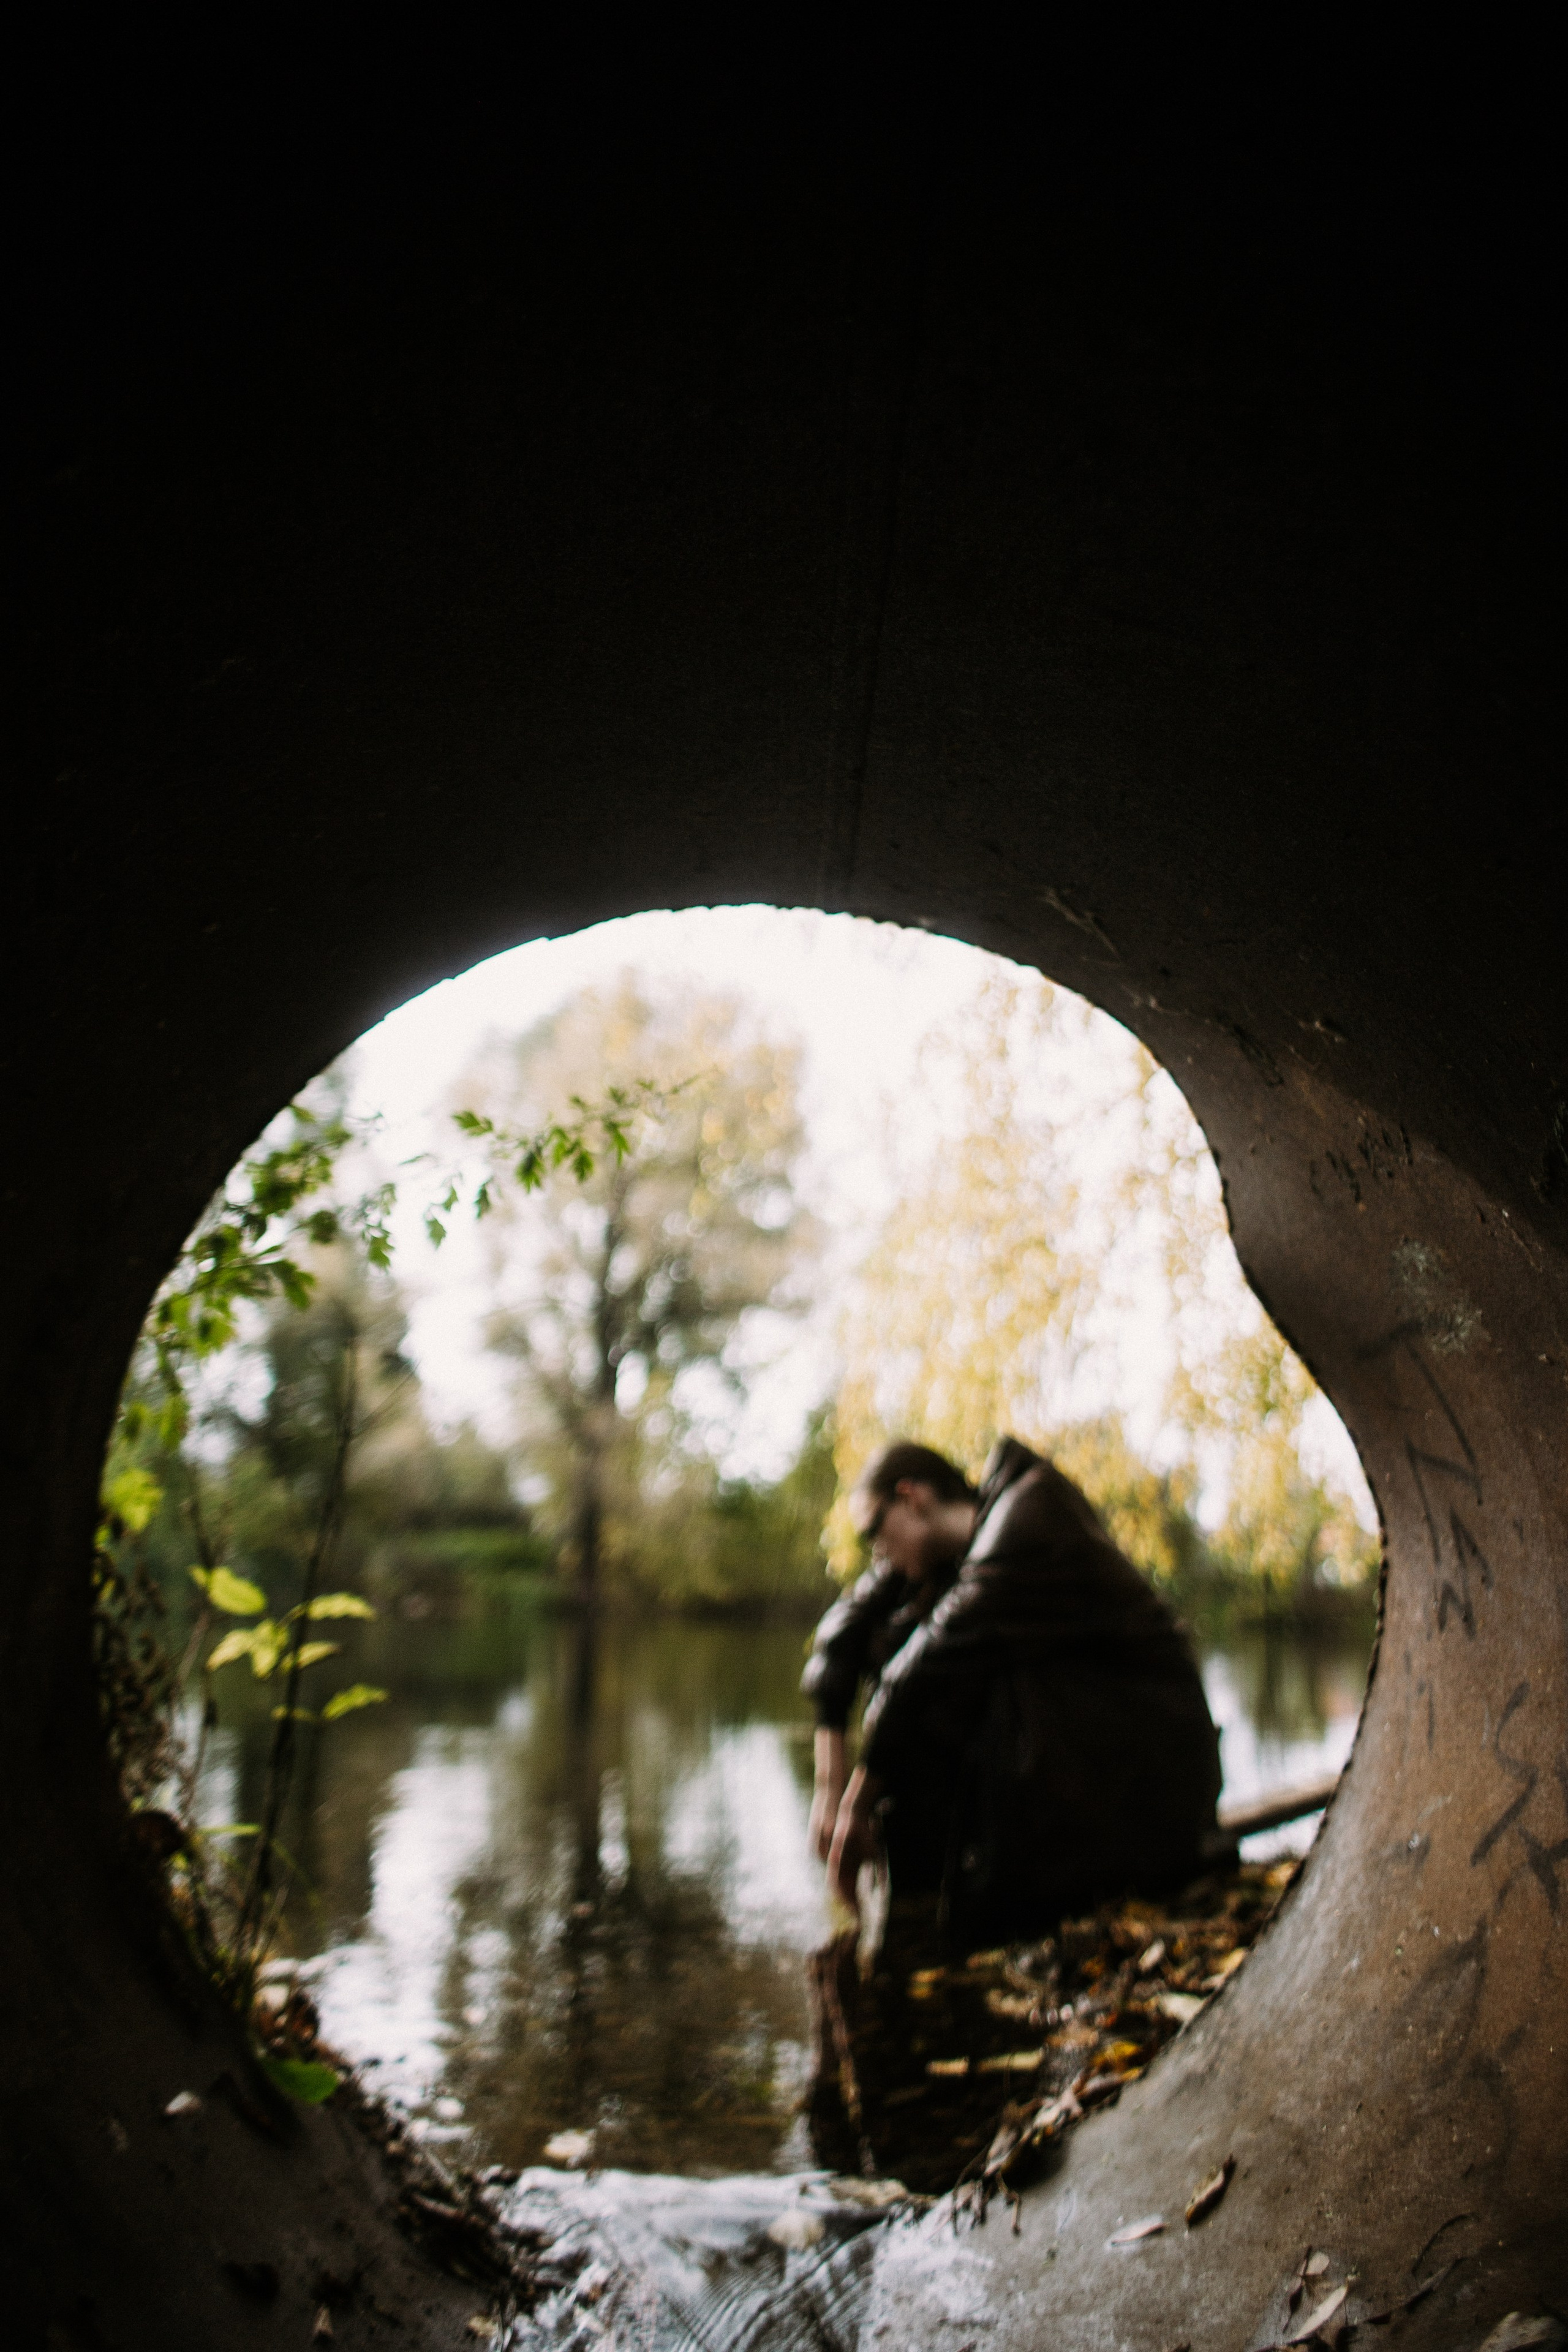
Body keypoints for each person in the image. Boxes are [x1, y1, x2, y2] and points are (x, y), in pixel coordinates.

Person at [803, 1436, 1222, 1943]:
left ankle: (971, 1901)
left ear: (913, 1497)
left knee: (941, 1676)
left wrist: (856, 1808)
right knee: (891, 1636)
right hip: (1088, 1770)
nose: (878, 1553)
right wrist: (829, 1784)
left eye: (876, 1531)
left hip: (1157, 1777)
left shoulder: (1031, 1515)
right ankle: (931, 1894)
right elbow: (845, 1627)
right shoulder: (955, 1549)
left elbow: (930, 1665)